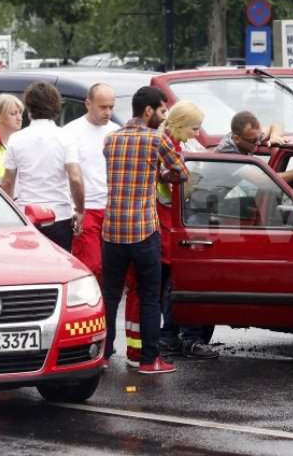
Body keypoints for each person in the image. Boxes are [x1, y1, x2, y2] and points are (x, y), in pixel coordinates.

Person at [101, 86, 188, 375]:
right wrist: (161, 174)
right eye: (161, 111)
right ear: (148, 111)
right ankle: (149, 360)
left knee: (111, 296)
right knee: (150, 296)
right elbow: (181, 173)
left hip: (112, 232)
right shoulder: (156, 139)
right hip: (143, 231)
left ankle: (101, 355)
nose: (162, 118)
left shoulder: (110, 140)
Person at [152, 101, 219, 360]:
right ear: (179, 125)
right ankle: (183, 337)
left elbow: (206, 159)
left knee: (176, 283)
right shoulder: (166, 147)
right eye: (194, 128)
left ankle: (171, 336)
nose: (197, 133)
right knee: (181, 281)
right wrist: (198, 182)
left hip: (177, 220)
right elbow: (178, 189)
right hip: (168, 221)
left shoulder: (183, 143)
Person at [1, 82, 85, 251]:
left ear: (29, 107)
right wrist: (81, 209)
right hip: (59, 216)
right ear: (55, 106)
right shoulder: (65, 137)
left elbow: (8, 182)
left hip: (27, 214)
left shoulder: (16, 139)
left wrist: (9, 215)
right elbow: (75, 178)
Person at [65, 83, 120, 285]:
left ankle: (105, 313)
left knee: (112, 269)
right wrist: (73, 208)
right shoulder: (71, 132)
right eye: (102, 107)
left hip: (112, 208)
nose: (108, 112)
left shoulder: (117, 133)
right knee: (91, 265)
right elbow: (66, 174)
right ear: (88, 104)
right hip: (85, 209)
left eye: (111, 107)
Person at [216, 110, 293, 183]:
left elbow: (274, 126)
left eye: (259, 138)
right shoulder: (228, 152)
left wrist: (274, 136)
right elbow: (262, 181)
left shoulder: (250, 136)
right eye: (253, 141)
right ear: (237, 138)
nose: (258, 143)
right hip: (206, 200)